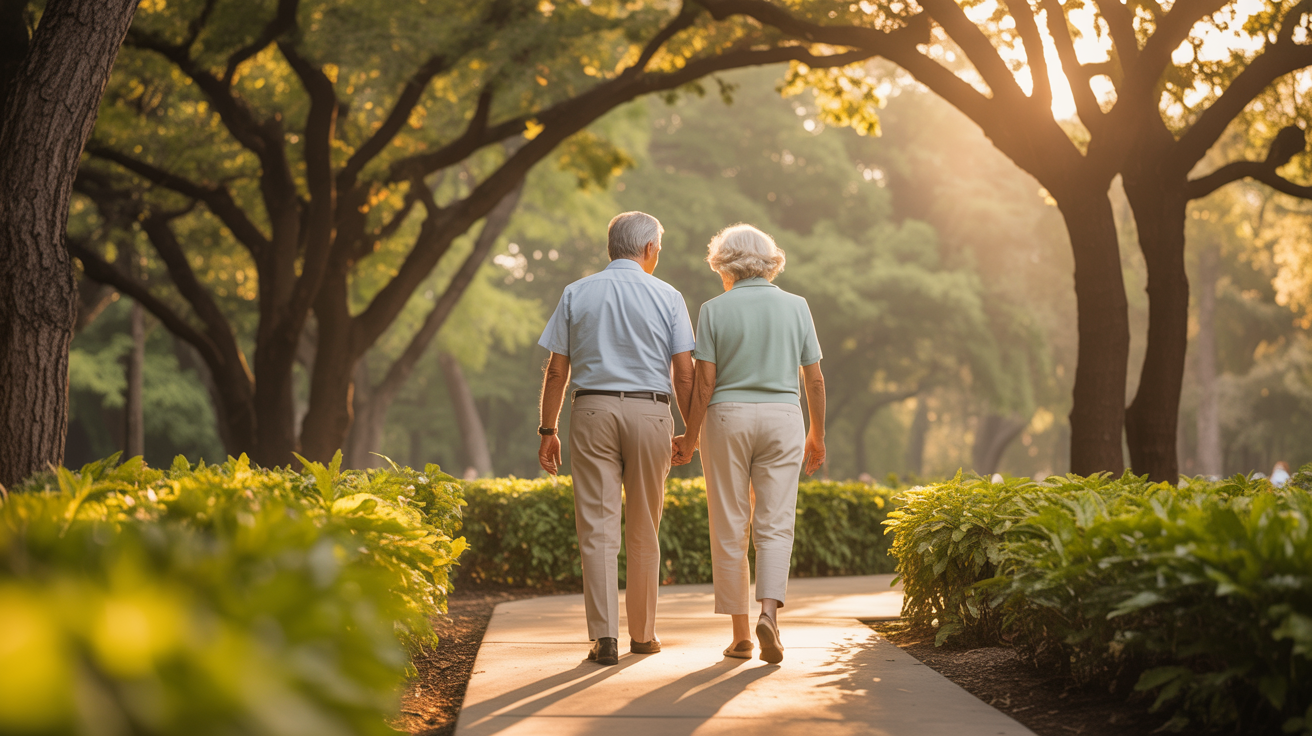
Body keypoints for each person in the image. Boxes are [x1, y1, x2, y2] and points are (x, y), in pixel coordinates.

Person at [536, 211, 695, 666]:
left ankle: (604, 638)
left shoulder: (576, 292)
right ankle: (643, 635)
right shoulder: (668, 296)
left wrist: (547, 430)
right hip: (651, 412)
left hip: (591, 410)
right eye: (658, 249)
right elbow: (684, 373)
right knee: (645, 526)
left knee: (598, 529)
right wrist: (692, 432)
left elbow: (556, 370)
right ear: (648, 249)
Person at [672, 223, 826, 665]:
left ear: (725, 263)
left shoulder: (713, 309)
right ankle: (769, 616)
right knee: (775, 523)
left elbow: (704, 384)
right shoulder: (797, 306)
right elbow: (813, 379)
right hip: (783, 417)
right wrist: (817, 434)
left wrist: (691, 435)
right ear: (770, 260)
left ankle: (741, 637)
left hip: (727, 418)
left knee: (730, 524)